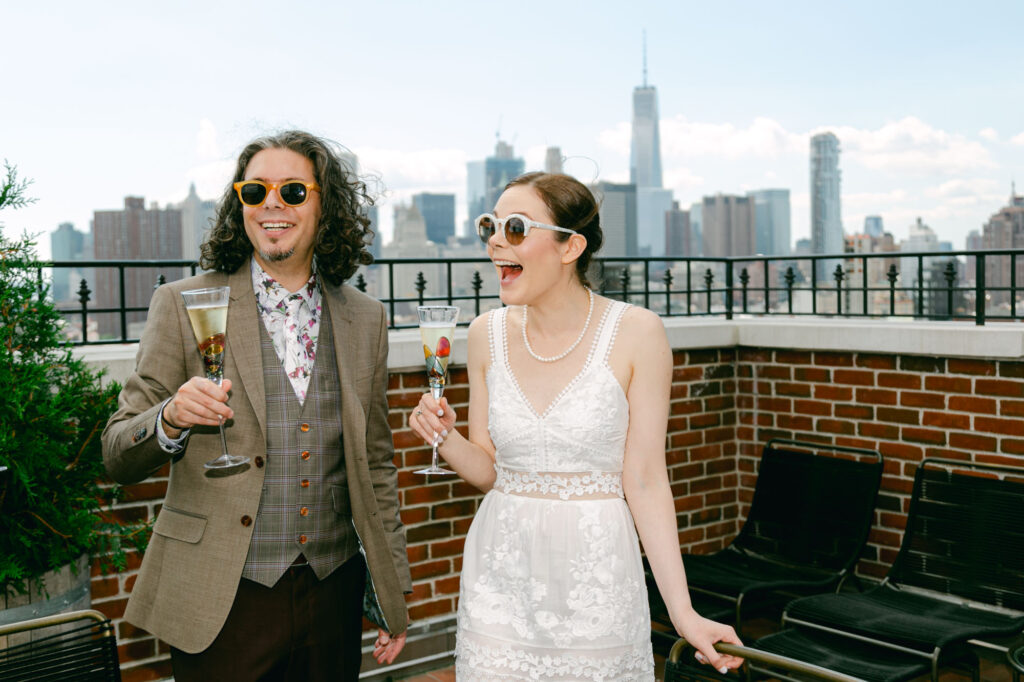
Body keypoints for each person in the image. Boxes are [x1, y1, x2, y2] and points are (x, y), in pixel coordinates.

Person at [408, 171, 743, 680]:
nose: (496, 241)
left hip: (597, 577)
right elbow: (488, 472)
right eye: (489, 226)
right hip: (500, 576)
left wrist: (682, 613)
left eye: (515, 227)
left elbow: (647, 480)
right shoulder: (483, 334)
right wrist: (443, 436)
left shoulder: (637, 333)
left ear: (570, 247)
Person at [102, 130, 410, 681]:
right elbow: (117, 453)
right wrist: (169, 417)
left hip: (332, 590)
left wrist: (392, 588)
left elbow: (378, 465)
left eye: (293, 191)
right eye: (254, 191)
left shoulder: (366, 318)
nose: (272, 204)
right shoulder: (180, 304)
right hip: (223, 598)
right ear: (238, 204)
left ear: (325, 206)